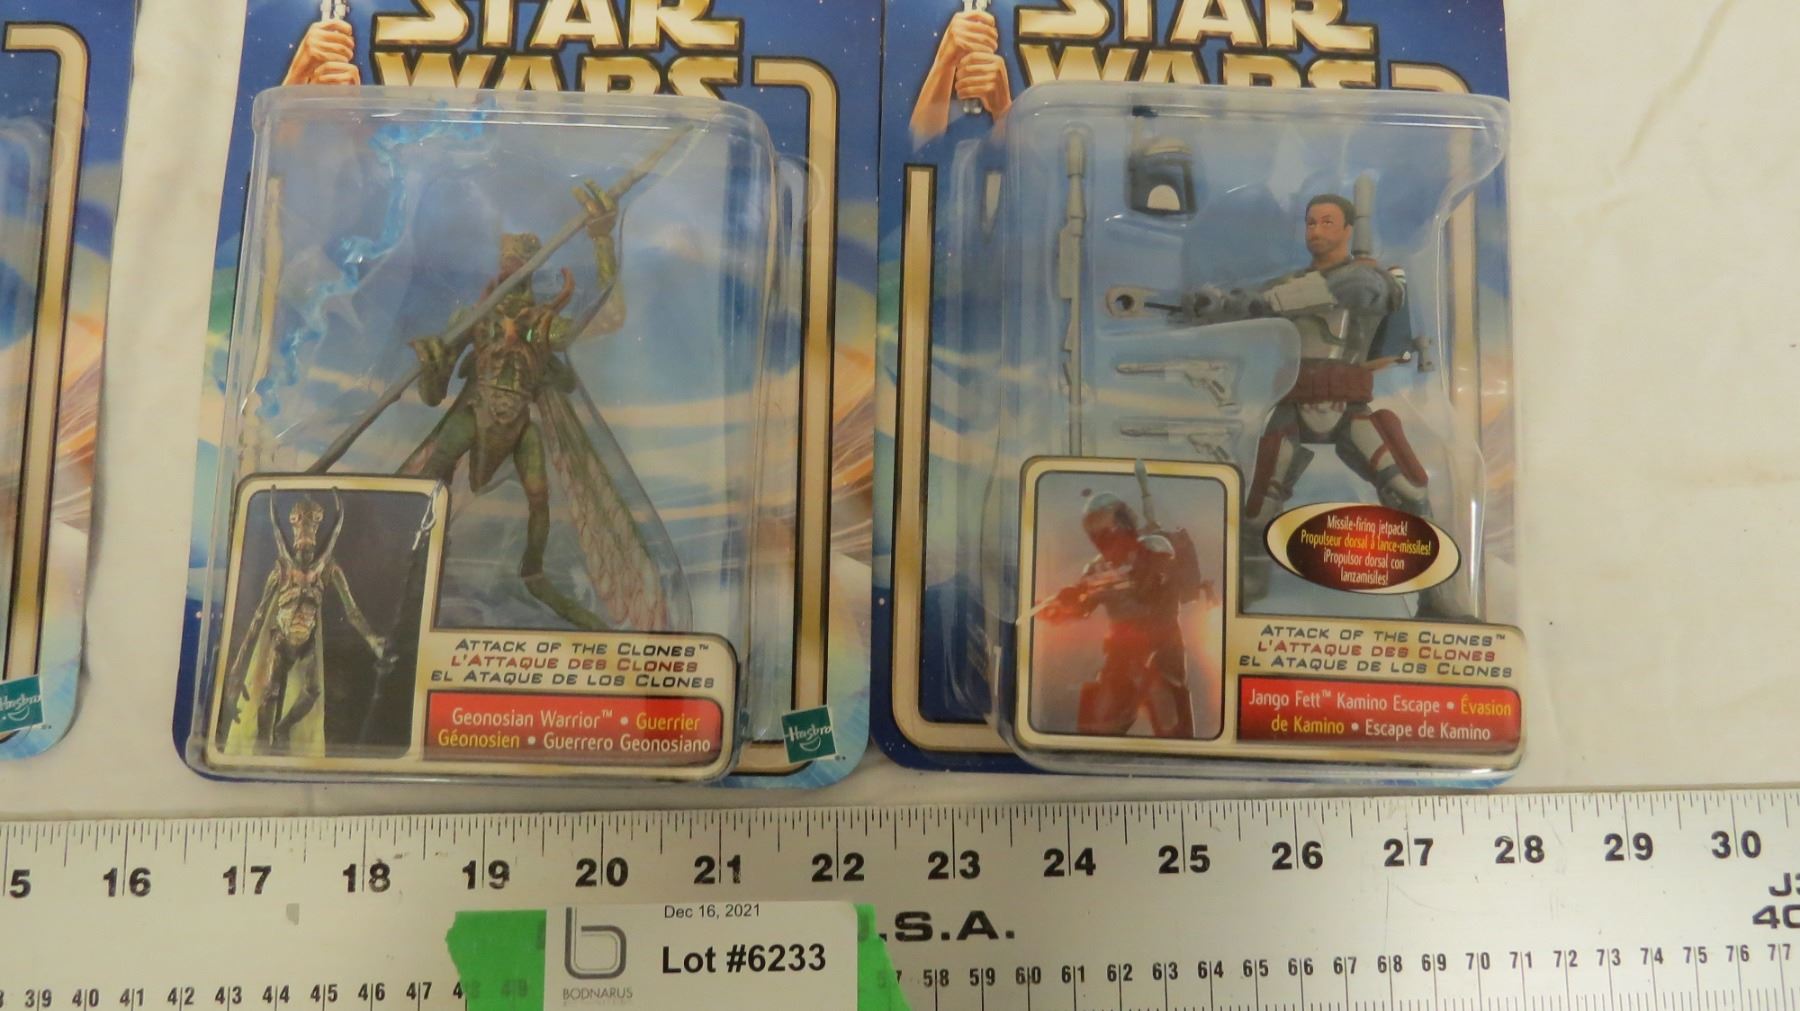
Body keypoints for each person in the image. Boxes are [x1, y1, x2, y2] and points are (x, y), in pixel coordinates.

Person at [1037, 493, 1197, 739]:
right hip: (1122, 655)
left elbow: (1166, 574)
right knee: (1096, 726)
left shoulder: (1153, 548)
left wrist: (1146, 573)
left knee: (1170, 719)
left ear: (1122, 522)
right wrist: (1059, 604)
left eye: (1104, 524)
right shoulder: (1097, 568)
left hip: (1162, 650)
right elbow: (1079, 606)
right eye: (1093, 528)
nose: (1100, 535)